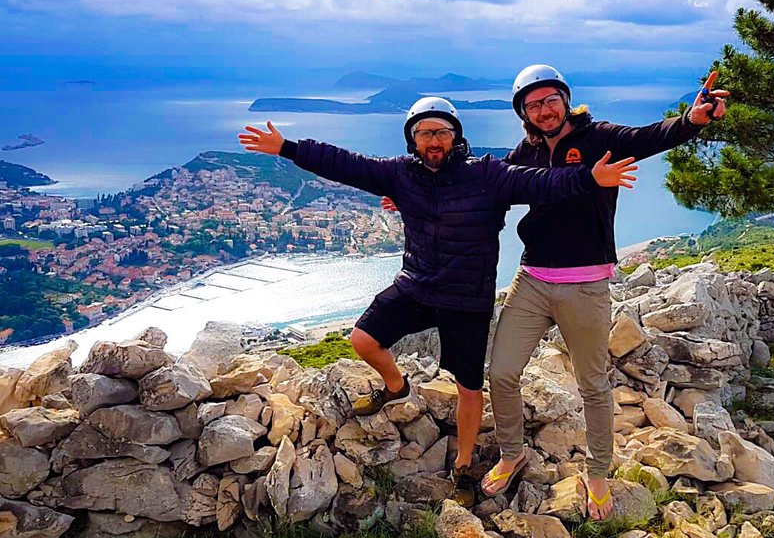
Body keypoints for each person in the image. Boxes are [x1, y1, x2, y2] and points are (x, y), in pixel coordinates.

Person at [238, 97, 639, 504]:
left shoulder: (486, 174)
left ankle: (463, 464)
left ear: (455, 137)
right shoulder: (399, 174)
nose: (434, 140)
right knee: (362, 339)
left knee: (468, 387)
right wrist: (287, 147)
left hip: (467, 297)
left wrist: (589, 177)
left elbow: (542, 182)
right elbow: (346, 164)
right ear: (412, 140)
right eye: (425, 133)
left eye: (443, 132)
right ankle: (396, 386)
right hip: (417, 285)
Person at [478, 65, 728, 520]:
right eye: (533, 105)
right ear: (524, 114)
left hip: (586, 284)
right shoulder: (526, 152)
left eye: (550, 100)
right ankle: (512, 453)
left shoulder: (598, 137)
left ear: (565, 100)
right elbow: (492, 187)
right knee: (501, 372)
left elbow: (649, 137)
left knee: (592, 384)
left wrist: (691, 121)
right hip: (532, 279)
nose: (544, 110)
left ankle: (597, 472)